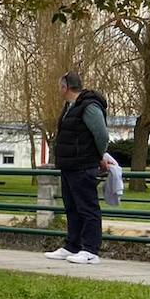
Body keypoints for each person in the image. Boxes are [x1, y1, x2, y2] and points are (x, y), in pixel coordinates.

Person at [44, 73, 109, 265]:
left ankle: (90, 249)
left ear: (65, 87)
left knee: (87, 207)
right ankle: (72, 245)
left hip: (83, 164)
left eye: (59, 87)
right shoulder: (70, 107)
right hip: (70, 165)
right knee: (71, 207)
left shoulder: (89, 106)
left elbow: (101, 135)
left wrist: (99, 156)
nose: (58, 91)